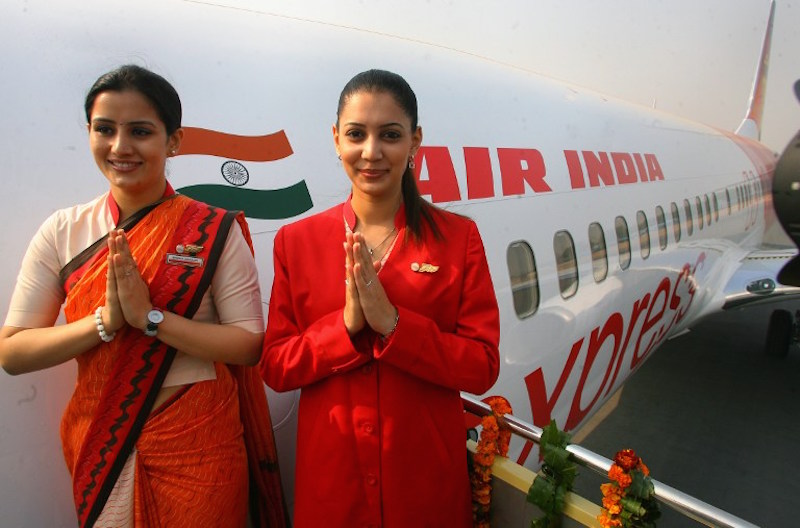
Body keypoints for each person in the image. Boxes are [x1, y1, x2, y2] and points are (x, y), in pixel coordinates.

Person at [0, 65, 287, 528]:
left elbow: (249, 343)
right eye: (104, 129)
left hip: (199, 444)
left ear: (173, 141)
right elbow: (12, 351)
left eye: (140, 131)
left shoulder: (212, 230)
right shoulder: (64, 231)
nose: (120, 147)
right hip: (104, 443)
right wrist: (104, 322)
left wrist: (151, 319)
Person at [260, 69, 500, 527]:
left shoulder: (457, 239)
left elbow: (481, 365)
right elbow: (276, 366)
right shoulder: (297, 241)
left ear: (415, 141)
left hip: (424, 485)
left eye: (390, 135)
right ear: (335, 139)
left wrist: (394, 326)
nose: (371, 152)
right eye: (356, 134)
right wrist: (345, 327)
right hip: (333, 486)